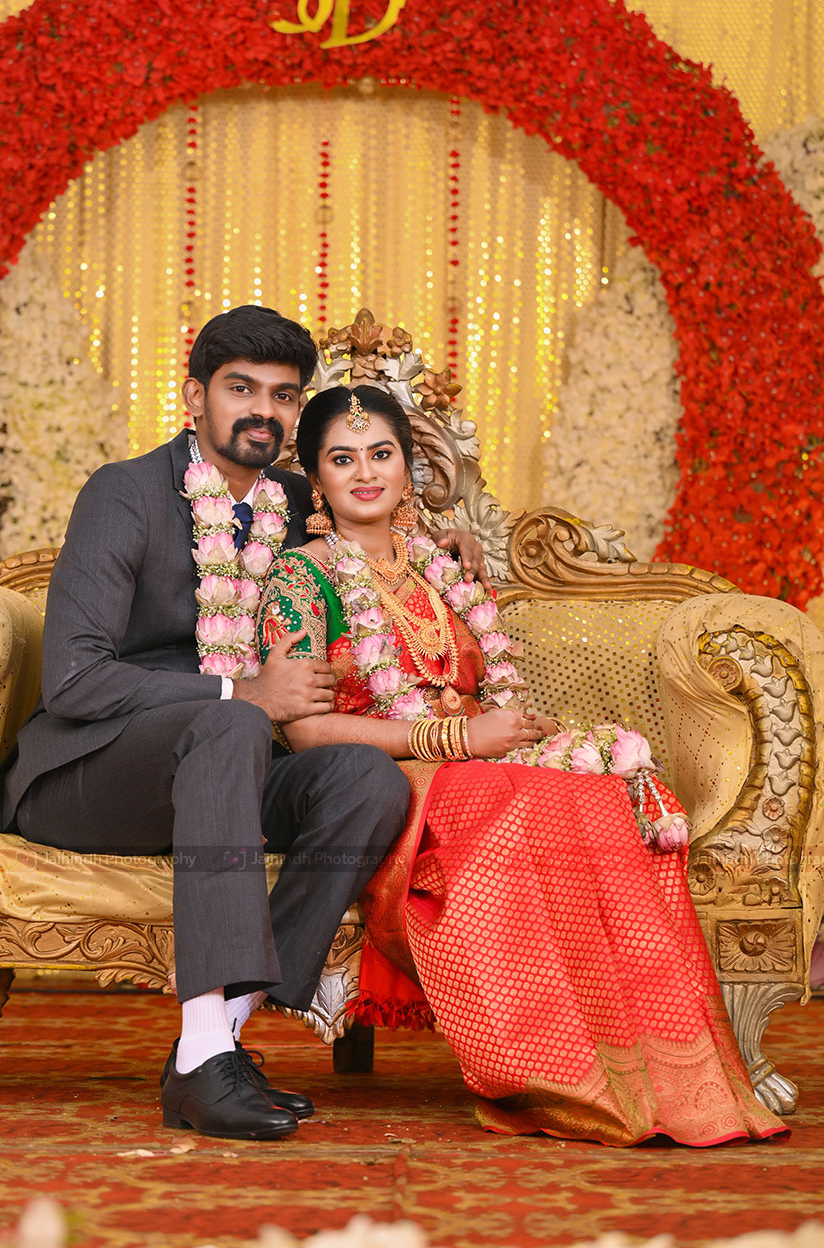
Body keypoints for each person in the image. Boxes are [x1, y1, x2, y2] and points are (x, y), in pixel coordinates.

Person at [0, 305, 484, 1142]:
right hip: (89, 772)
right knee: (234, 725)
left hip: (228, 769)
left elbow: (375, 524)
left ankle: (214, 1037)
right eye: (240, 389)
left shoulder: (295, 499)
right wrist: (239, 692)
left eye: (283, 396)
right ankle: (205, 1054)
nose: (263, 410)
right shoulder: (124, 494)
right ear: (195, 397)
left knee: (365, 780)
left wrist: (449, 542)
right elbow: (74, 678)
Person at [255, 383, 787, 1146]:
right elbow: (305, 733)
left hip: (482, 754)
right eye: (343, 458)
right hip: (385, 775)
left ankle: (663, 1069)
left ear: (408, 469)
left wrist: (500, 730)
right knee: (512, 800)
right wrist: (458, 739)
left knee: (606, 794)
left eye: (381, 453)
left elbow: (480, 684)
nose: (365, 472)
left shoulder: (440, 567)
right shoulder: (298, 578)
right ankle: (561, 1073)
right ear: (314, 479)